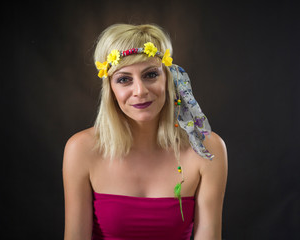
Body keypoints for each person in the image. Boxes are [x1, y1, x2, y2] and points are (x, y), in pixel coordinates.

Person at [63, 23, 228, 240]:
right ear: (110, 88)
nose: (140, 91)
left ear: (168, 78)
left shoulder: (206, 149)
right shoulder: (81, 149)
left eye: (150, 75)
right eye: (124, 79)